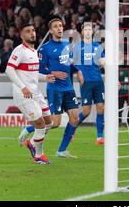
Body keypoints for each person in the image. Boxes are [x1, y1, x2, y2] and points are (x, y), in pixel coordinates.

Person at [19, 18, 82, 158]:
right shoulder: (45, 48)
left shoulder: (67, 45)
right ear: (51, 30)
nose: (59, 29)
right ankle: (30, 129)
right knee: (55, 123)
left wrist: (78, 71)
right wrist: (52, 73)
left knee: (75, 118)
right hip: (55, 89)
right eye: (56, 27)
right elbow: (39, 68)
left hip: (68, 87)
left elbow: (69, 63)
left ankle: (61, 150)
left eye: (61, 26)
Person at [5, 22, 55, 165]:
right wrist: (22, 87)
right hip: (24, 95)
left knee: (49, 123)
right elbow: (9, 70)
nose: (32, 33)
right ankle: (39, 155)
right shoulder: (19, 50)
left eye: (33, 30)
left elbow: (32, 73)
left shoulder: (33, 51)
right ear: (22, 35)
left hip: (36, 93)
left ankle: (32, 143)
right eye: (28, 31)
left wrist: (45, 77)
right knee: (40, 125)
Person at [71, 22, 105, 145]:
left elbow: (103, 62)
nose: (88, 31)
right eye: (85, 29)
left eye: (90, 29)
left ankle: (100, 137)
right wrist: (77, 73)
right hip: (86, 83)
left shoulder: (97, 47)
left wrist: (114, 78)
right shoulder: (77, 47)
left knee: (101, 108)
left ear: (92, 32)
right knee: (86, 111)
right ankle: (72, 128)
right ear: (82, 32)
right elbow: (70, 64)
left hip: (98, 81)